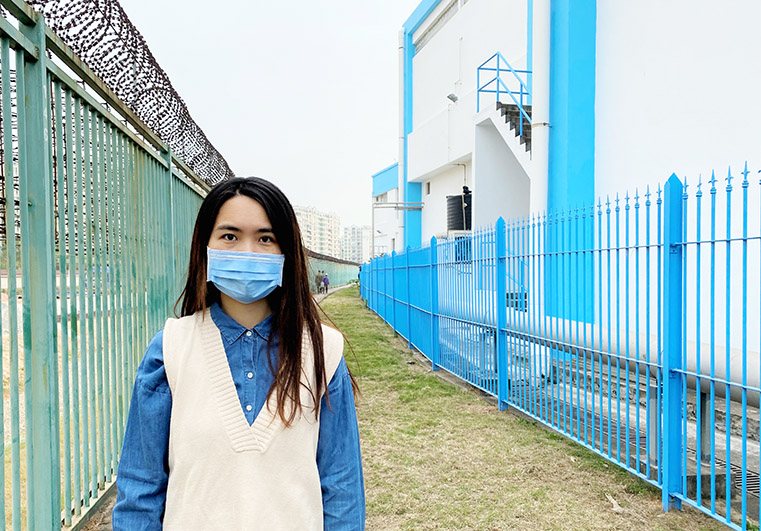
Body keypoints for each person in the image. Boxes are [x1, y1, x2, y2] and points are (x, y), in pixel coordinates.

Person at [113, 177, 365, 530]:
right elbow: (140, 487)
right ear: (205, 245)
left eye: (265, 238)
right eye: (230, 236)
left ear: (286, 251)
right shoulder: (170, 349)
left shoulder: (324, 350)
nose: (248, 252)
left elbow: (341, 488)